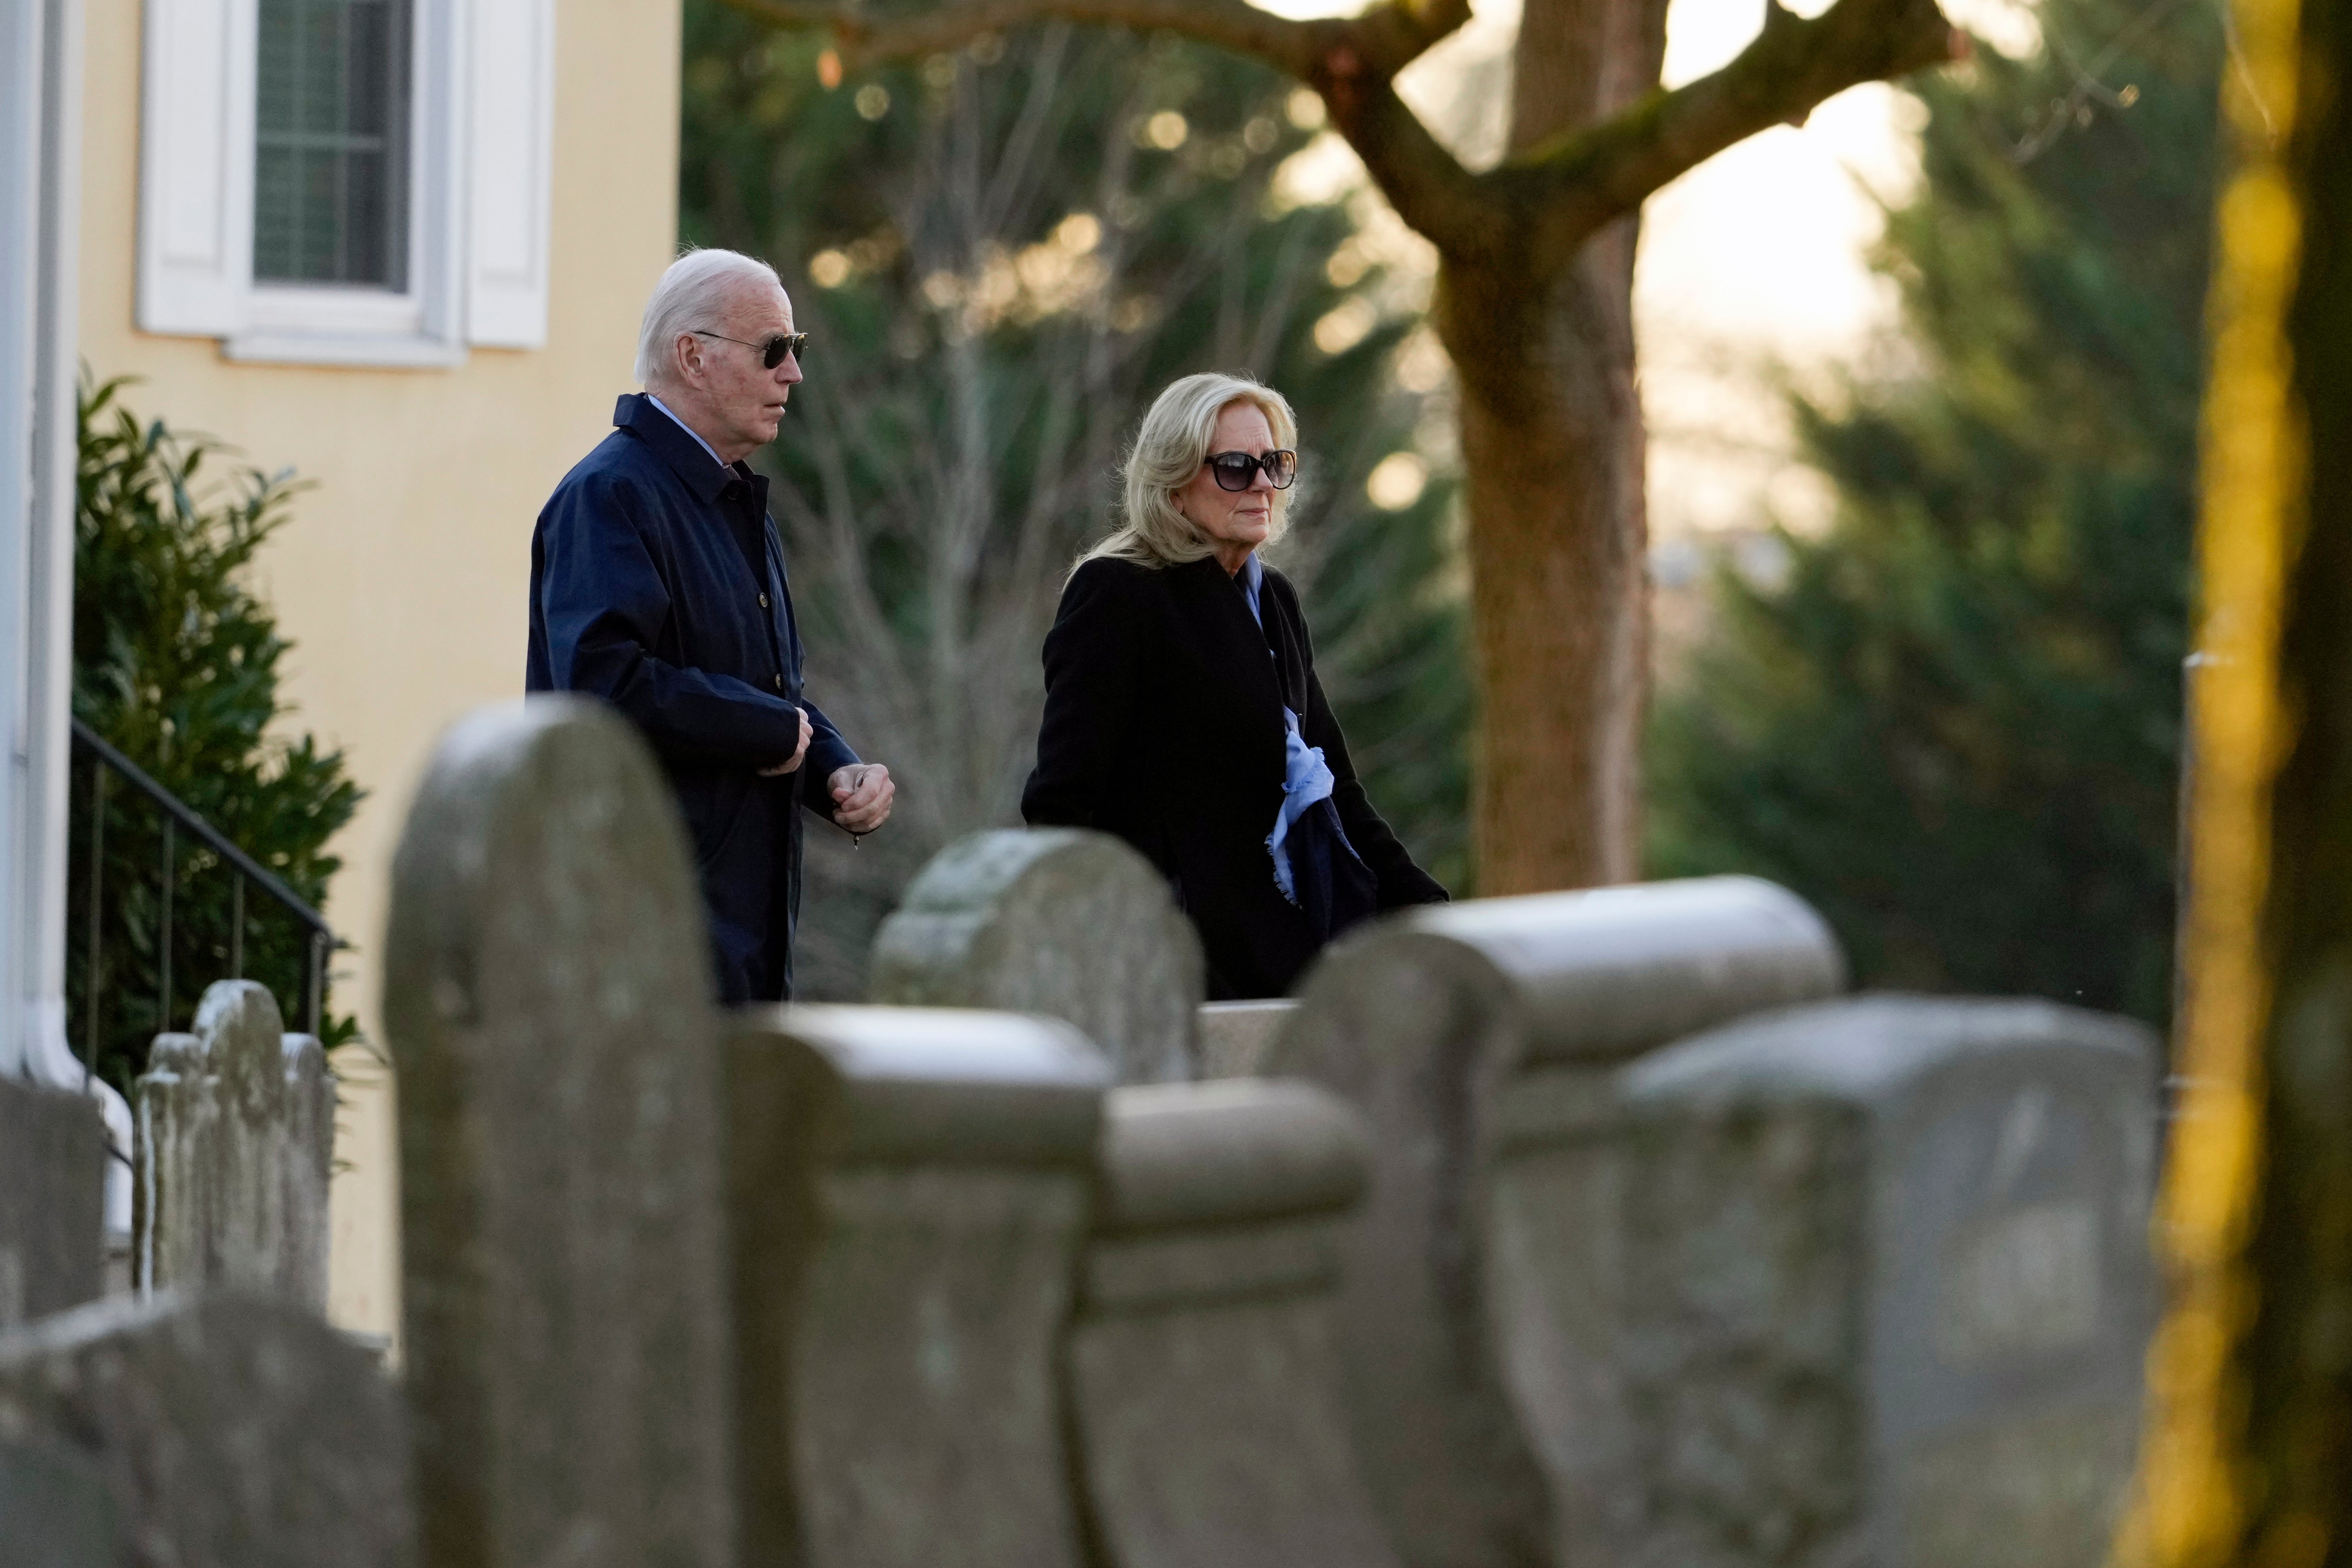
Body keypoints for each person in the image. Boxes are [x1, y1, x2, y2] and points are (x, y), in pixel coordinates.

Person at [527, 248, 894, 1003]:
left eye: (793, 352)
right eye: (773, 351)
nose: (791, 374)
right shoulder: (608, 496)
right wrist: (766, 728)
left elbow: (768, 693)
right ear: (692, 357)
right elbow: (603, 687)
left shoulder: (736, 506)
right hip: (644, 942)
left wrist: (834, 770)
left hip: (742, 936)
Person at [1023, 371, 1447, 998]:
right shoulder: (1119, 591)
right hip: (1180, 968)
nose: (1261, 485)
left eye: (1274, 464)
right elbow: (1060, 803)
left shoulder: (1271, 596)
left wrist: (1430, 912)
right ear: (1172, 483)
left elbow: (1336, 784)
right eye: (1233, 466)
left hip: (1293, 942)